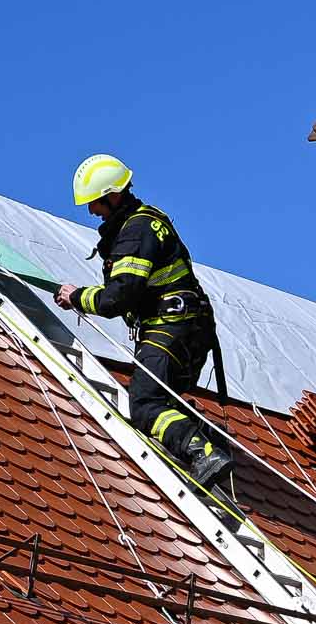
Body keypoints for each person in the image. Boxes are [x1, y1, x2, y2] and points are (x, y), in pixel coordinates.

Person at [52, 156, 225, 456]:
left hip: (169, 329)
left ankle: (202, 451)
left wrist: (76, 297)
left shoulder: (136, 231)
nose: (92, 211)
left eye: (95, 202)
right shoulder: (147, 221)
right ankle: (208, 436)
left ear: (113, 194)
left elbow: (118, 298)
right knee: (161, 401)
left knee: (145, 405)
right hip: (189, 331)